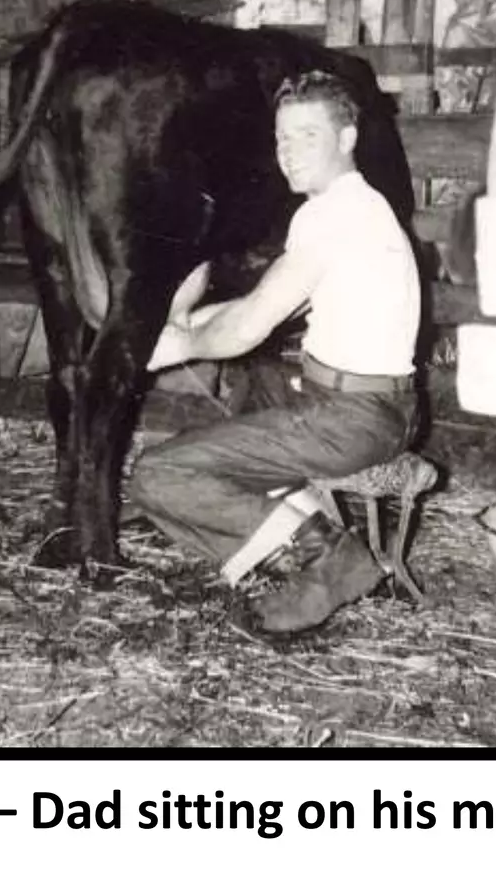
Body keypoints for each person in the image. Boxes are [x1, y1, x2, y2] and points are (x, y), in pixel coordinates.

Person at [126, 70, 421, 636]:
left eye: (308, 136)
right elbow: (269, 304)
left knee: (157, 474)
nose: (289, 152)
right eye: (283, 137)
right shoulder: (353, 206)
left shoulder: (335, 216)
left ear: (347, 138)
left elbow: (245, 329)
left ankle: (328, 556)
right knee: (255, 384)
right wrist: (184, 322)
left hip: (352, 418)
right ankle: (287, 530)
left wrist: (175, 346)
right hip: (368, 404)